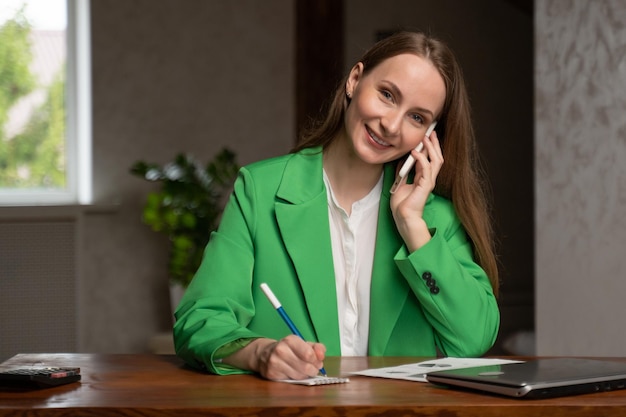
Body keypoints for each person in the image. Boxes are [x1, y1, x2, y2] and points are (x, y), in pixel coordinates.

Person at [173, 30, 500, 381]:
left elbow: (473, 338)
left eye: (417, 117)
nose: (390, 125)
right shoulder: (261, 190)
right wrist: (260, 353)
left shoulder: (434, 219)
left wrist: (412, 226)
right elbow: (199, 320)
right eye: (387, 95)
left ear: (429, 136)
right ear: (355, 80)